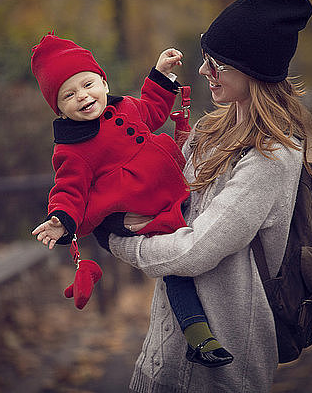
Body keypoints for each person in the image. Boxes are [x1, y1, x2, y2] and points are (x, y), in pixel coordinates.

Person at [94, 0, 312, 391]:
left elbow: (195, 250)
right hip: (162, 352)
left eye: (216, 64)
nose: (202, 71)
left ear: (254, 70)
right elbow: (162, 198)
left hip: (221, 371)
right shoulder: (207, 132)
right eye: (204, 57)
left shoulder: (273, 155)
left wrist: (118, 242)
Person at [30, 32, 233, 367]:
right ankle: (199, 337)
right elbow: (69, 189)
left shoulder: (126, 107)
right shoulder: (73, 148)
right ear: (59, 108)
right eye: (69, 94)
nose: (82, 96)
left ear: (102, 81)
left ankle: (235, 310)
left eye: (87, 84)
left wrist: (161, 73)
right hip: (142, 212)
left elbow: (154, 110)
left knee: (210, 243)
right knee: (176, 269)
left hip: (176, 190)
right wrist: (60, 219)